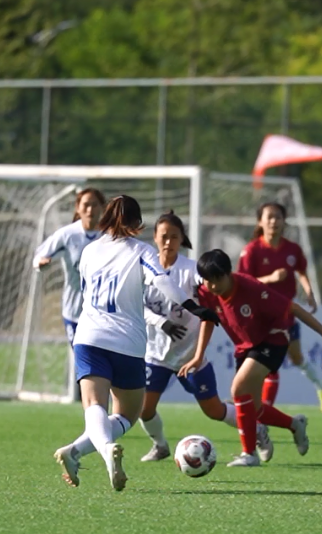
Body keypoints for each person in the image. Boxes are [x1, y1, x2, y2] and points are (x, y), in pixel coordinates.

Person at [51, 196, 218, 491]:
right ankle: (105, 451)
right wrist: (195, 308)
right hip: (127, 343)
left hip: (88, 337)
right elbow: (164, 282)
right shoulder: (141, 251)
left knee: (94, 406)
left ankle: (74, 452)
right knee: (127, 414)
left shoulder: (89, 251)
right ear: (137, 223)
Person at [180, 249, 322, 467]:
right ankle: (295, 425)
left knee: (238, 389)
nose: (212, 286)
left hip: (273, 340)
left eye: (217, 279)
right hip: (245, 347)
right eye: (208, 280)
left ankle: (249, 454)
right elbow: (208, 320)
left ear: (229, 273)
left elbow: (293, 307)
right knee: (254, 408)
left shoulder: (251, 288)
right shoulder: (206, 292)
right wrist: (198, 356)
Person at [136, 211, 270, 463]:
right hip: (156, 354)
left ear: (181, 239)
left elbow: (211, 284)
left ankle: (259, 429)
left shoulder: (190, 269)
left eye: (174, 237)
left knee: (214, 410)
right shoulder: (145, 268)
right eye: (164, 236)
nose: (168, 242)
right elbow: (136, 303)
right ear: (154, 237)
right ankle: (160, 445)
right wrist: (160, 322)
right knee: (144, 409)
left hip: (189, 355)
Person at [237, 202, 322, 413]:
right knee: (268, 364)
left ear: (284, 221)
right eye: (269, 217)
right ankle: (263, 411)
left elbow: (302, 271)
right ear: (260, 222)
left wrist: (308, 292)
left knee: (294, 358)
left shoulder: (292, 249)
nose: (273, 221)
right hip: (259, 316)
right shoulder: (251, 251)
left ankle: (321, 386)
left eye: (278, 217)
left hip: (285, 313)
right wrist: (270, 278)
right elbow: (243, 282)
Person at [32, 188, 106, 345]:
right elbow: (39, 256)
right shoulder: (67, 235)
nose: (90, 209)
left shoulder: (110, 237)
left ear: (102, 208)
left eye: (95, 205)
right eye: (86, 205)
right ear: (77, 208)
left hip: (103, 315)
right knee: (86, 362)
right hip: (75, 312)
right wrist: (40, 264)